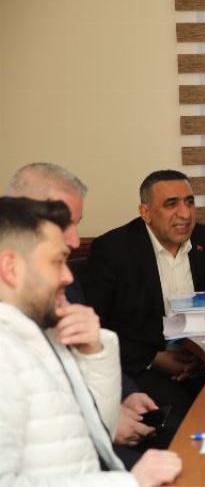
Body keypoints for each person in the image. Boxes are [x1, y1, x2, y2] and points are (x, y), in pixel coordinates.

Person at [0, 196, 181, 486]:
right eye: (58, 262)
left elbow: (99, 432)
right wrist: (129, 482)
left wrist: (94, 352)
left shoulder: (37, 332)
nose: (68, 276)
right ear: (11, 269)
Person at [85, 170, 205, 434]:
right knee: (186, 428)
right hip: (144, 365)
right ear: (146, 212)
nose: (185, 214)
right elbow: (96, 329)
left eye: (189, 202)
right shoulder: (113, 250)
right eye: (171, 204)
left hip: (203, 362)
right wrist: (155, 358)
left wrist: (203, 356)